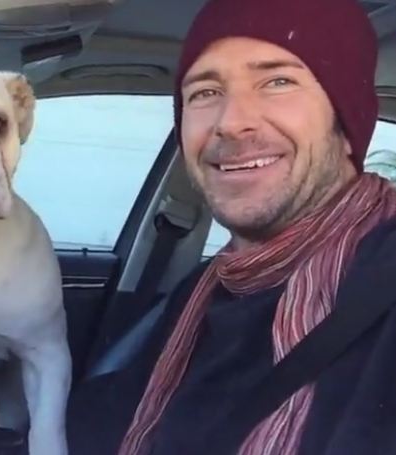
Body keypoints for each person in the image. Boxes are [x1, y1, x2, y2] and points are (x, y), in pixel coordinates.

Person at [67, 0, 396, 453]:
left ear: (346, 124)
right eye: (204, 92)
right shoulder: (202, 291)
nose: (232, 122)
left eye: (278, 81)